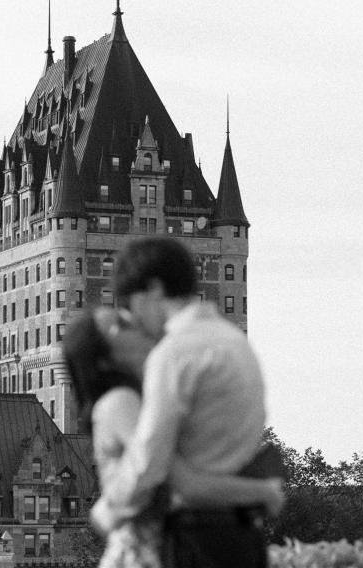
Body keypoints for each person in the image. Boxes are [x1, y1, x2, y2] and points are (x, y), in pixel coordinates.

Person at [91, 237, 271, 568]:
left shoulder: (173, 353)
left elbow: (149, 462)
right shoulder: (238, 344)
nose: (134, 319)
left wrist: (108, 510)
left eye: (131, 304)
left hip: (193, 537)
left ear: (154, 289)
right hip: (246, 536)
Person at [64, 310, 282, 568]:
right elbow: (184, 484)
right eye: (120, 324)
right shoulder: (121, 402)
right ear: (105, 360)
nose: (133, 320)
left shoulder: (139, 398)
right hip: (140, 558)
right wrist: (263, 492)